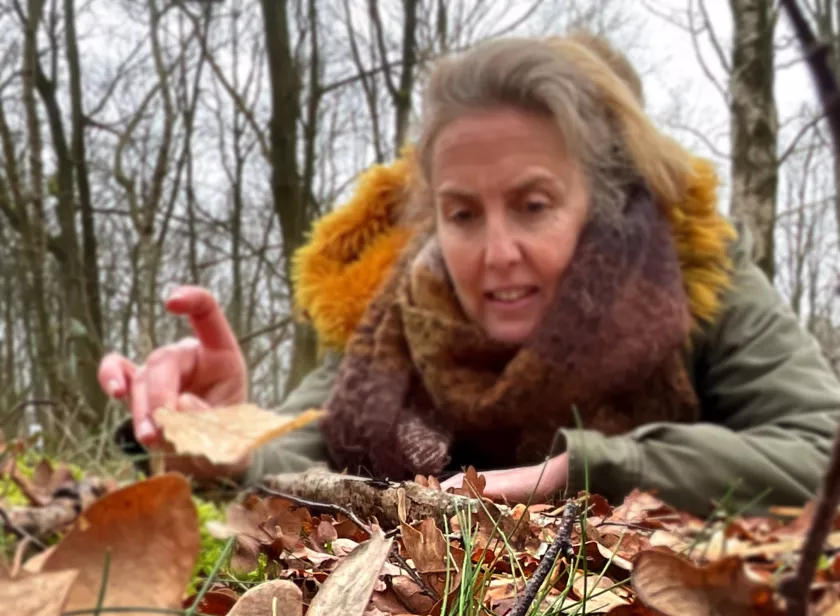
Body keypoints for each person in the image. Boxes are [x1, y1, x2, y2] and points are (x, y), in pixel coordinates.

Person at [99, 34, 840, 515]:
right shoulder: (400, 308)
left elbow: (819, 447)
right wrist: (214, 428)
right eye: (462, 215)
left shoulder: (692, 272)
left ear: (604, 203)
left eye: (534, 205)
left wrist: (594, 469)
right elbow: (305, 446)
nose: (497, 252)